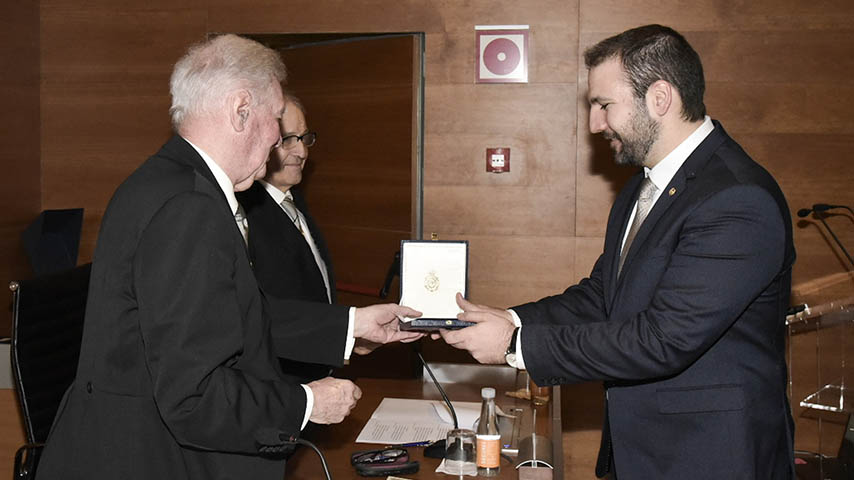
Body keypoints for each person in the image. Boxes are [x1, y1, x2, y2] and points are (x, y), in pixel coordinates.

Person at [36, 34, 420, 480]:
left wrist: (351, 325)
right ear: (241, 111)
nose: (279, 138)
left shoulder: (164, 181)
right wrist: (307, 403)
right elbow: (193, 396)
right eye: (276, 117)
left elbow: (225, 315)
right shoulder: (190, 208)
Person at [439, 25, 796, 479]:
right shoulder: (643, 187)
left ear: (660, 99)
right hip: (644, 453)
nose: (594, 124)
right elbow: (602, 295)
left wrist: (515, 345)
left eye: (604, 105)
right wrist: (511, 319)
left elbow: (664, 339)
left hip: (712, 456)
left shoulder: (737, 199)